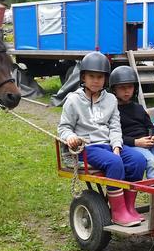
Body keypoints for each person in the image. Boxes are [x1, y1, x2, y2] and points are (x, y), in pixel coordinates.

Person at [58, 52, 147, 226]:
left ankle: (129, 207)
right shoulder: (73, 100)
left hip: (108, 145)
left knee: (138, 160)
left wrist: (116, 146)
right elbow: (64, 127)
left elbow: (115, 127)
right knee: (114, 163)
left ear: (106, 79)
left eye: (100, 77)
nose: (95, 81)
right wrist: (71, 137)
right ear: (83, 76)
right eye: (91, 76)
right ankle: (118, 212)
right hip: (88, 148)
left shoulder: (111, 100)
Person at [109, 65, 154, 179]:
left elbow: (150, 126)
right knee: (153, 163)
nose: (127, 91)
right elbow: (114, 135)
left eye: (130, 87)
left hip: (149, 143)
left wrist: (153, 136)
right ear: (114, 89)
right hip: (131, 146)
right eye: (122, 87)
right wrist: (136, 142)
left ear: (135, 88)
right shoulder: (112, 111)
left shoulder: (138, 108)